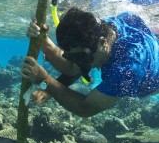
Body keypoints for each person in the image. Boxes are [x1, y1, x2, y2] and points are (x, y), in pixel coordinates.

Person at [21, 8, 159, 117]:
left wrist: (45, 80)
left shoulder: (127, 70)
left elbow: (85, 108)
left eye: (81, 58)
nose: (77, 63)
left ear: (103, 43)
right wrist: (42, 40)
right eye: (72, 56)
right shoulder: (99, 29)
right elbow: (73, 68)